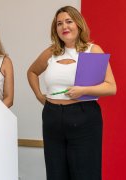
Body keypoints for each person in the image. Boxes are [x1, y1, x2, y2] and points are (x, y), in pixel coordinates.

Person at [27, 6, 116, 180]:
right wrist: (39, 95)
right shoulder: (51, 52)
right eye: (59, 23)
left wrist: (84, 90)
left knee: (85, 173)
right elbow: (31, 72)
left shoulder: (92, 50)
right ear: (55, 29)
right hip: (52, 117)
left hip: (84, 116)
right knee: (56, 172)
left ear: (78, 24)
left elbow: (111, 87)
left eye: (69, 21)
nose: (64, 27)